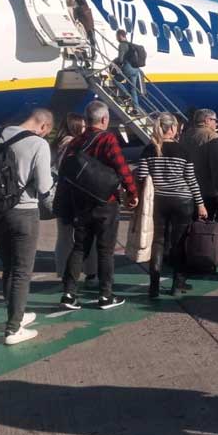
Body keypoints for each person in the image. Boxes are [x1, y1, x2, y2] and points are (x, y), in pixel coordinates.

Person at [60, 101, 138, 311]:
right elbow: (122, 168)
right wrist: (132, 193)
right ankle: (105, 295)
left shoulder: (76, 141)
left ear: (86, 119)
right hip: (106, 202)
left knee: (79, 247)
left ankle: (68, 293)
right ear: (104, 119)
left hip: (81, 202)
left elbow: (66, 169)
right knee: (105, 250)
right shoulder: (107, 139)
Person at [0, 109, 55, 345]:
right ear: (44, 127)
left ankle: (17, 313)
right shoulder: (38, 144)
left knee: (8, 266)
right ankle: (13, 329)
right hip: (24, 212)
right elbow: (44, 186)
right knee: (22, 271)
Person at [134, 114, 208, 298]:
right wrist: (200, 204)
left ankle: (154, 286)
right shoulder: (183, 151)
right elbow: (191, 180)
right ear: (173, 128)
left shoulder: (149, 150)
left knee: (157, 242)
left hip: (158, 201)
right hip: (182, 201)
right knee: (179, 242)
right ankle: (177, 283)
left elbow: (141, 177)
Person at [52, 113, 96, 282]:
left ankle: (63, 271)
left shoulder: (56, 145)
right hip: (77, 195)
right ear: (75, 127)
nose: (85, 130)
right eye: (83, 127)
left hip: (61, 194)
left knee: (64, 236)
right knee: (87, 234)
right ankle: (91, 270)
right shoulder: (75, 144)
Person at [181, 109, 218, 219]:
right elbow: (216, 166)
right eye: (215, 120)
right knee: (205, 225)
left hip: (186, 189)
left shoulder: (185, 135)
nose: (216, 123)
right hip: (206, 190)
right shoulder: (212, 136)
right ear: (207, 120)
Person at [113, 29, 141, 108]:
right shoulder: (131, 45)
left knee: (115, 80)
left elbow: (121, 59)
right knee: (133, 89)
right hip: (136, 69)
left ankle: (126, 95)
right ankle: (136, 108)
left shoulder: (122, 45)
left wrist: (115, 63)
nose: (116, 39)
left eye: (117, 37)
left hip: (128, 68)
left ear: (120, 36)